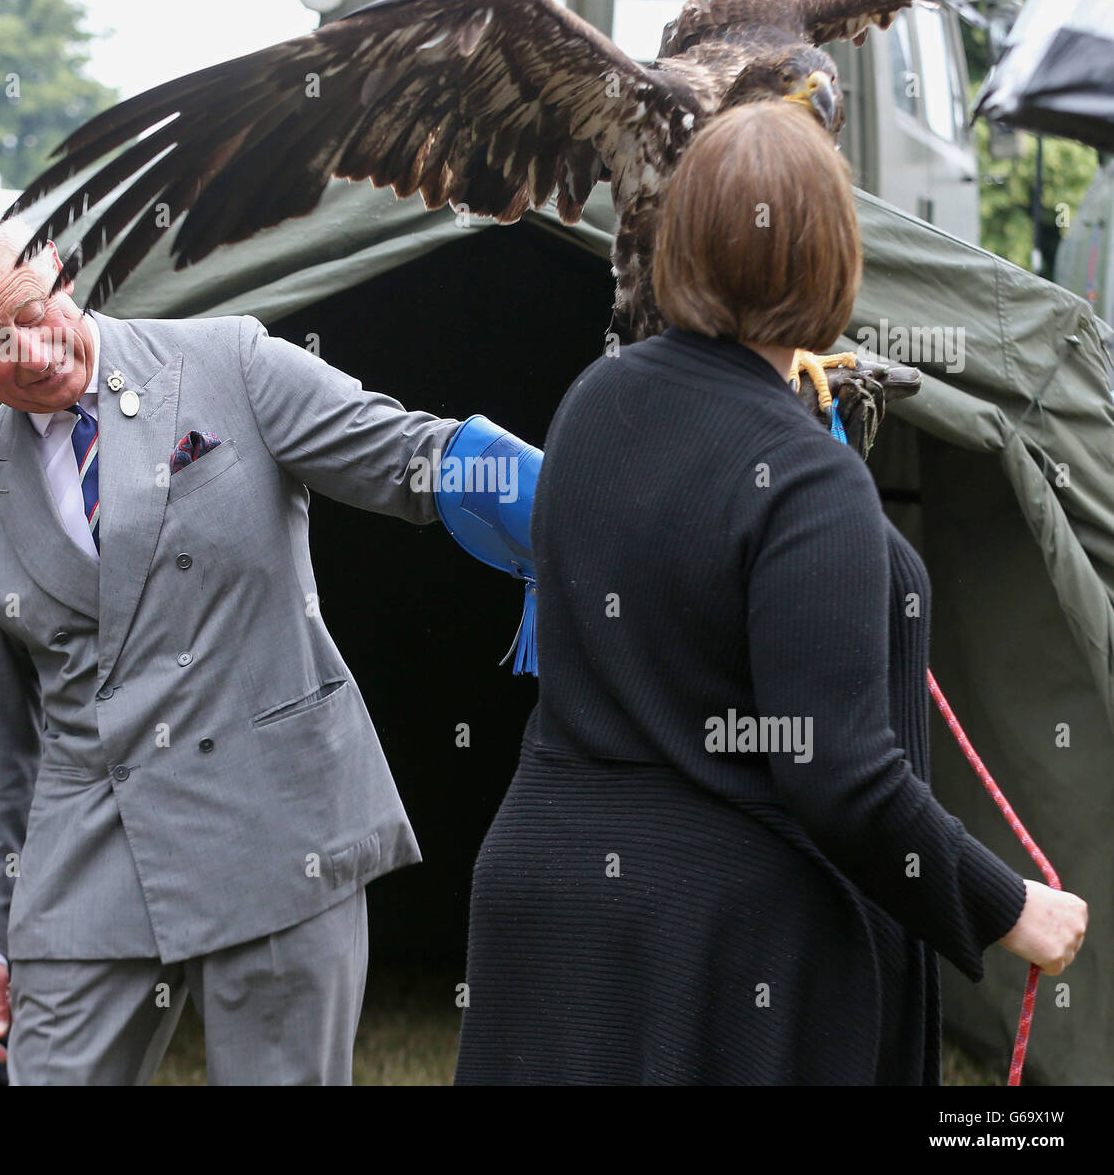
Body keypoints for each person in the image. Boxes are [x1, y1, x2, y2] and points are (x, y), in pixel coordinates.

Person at [453, 101, 1088, 1085]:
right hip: (718, 950)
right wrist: (1008, 906)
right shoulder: (803, 478)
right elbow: (841, 776)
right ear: (835, 254)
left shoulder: (595, 403)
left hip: (550, 906)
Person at [0, 202, 481, 1085]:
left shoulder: (228, 361)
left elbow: (402, 454)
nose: (32, 346)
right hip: (86, 856)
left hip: (275, 823)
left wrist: (560, 486)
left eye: (34, 308)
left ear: (58, 262)